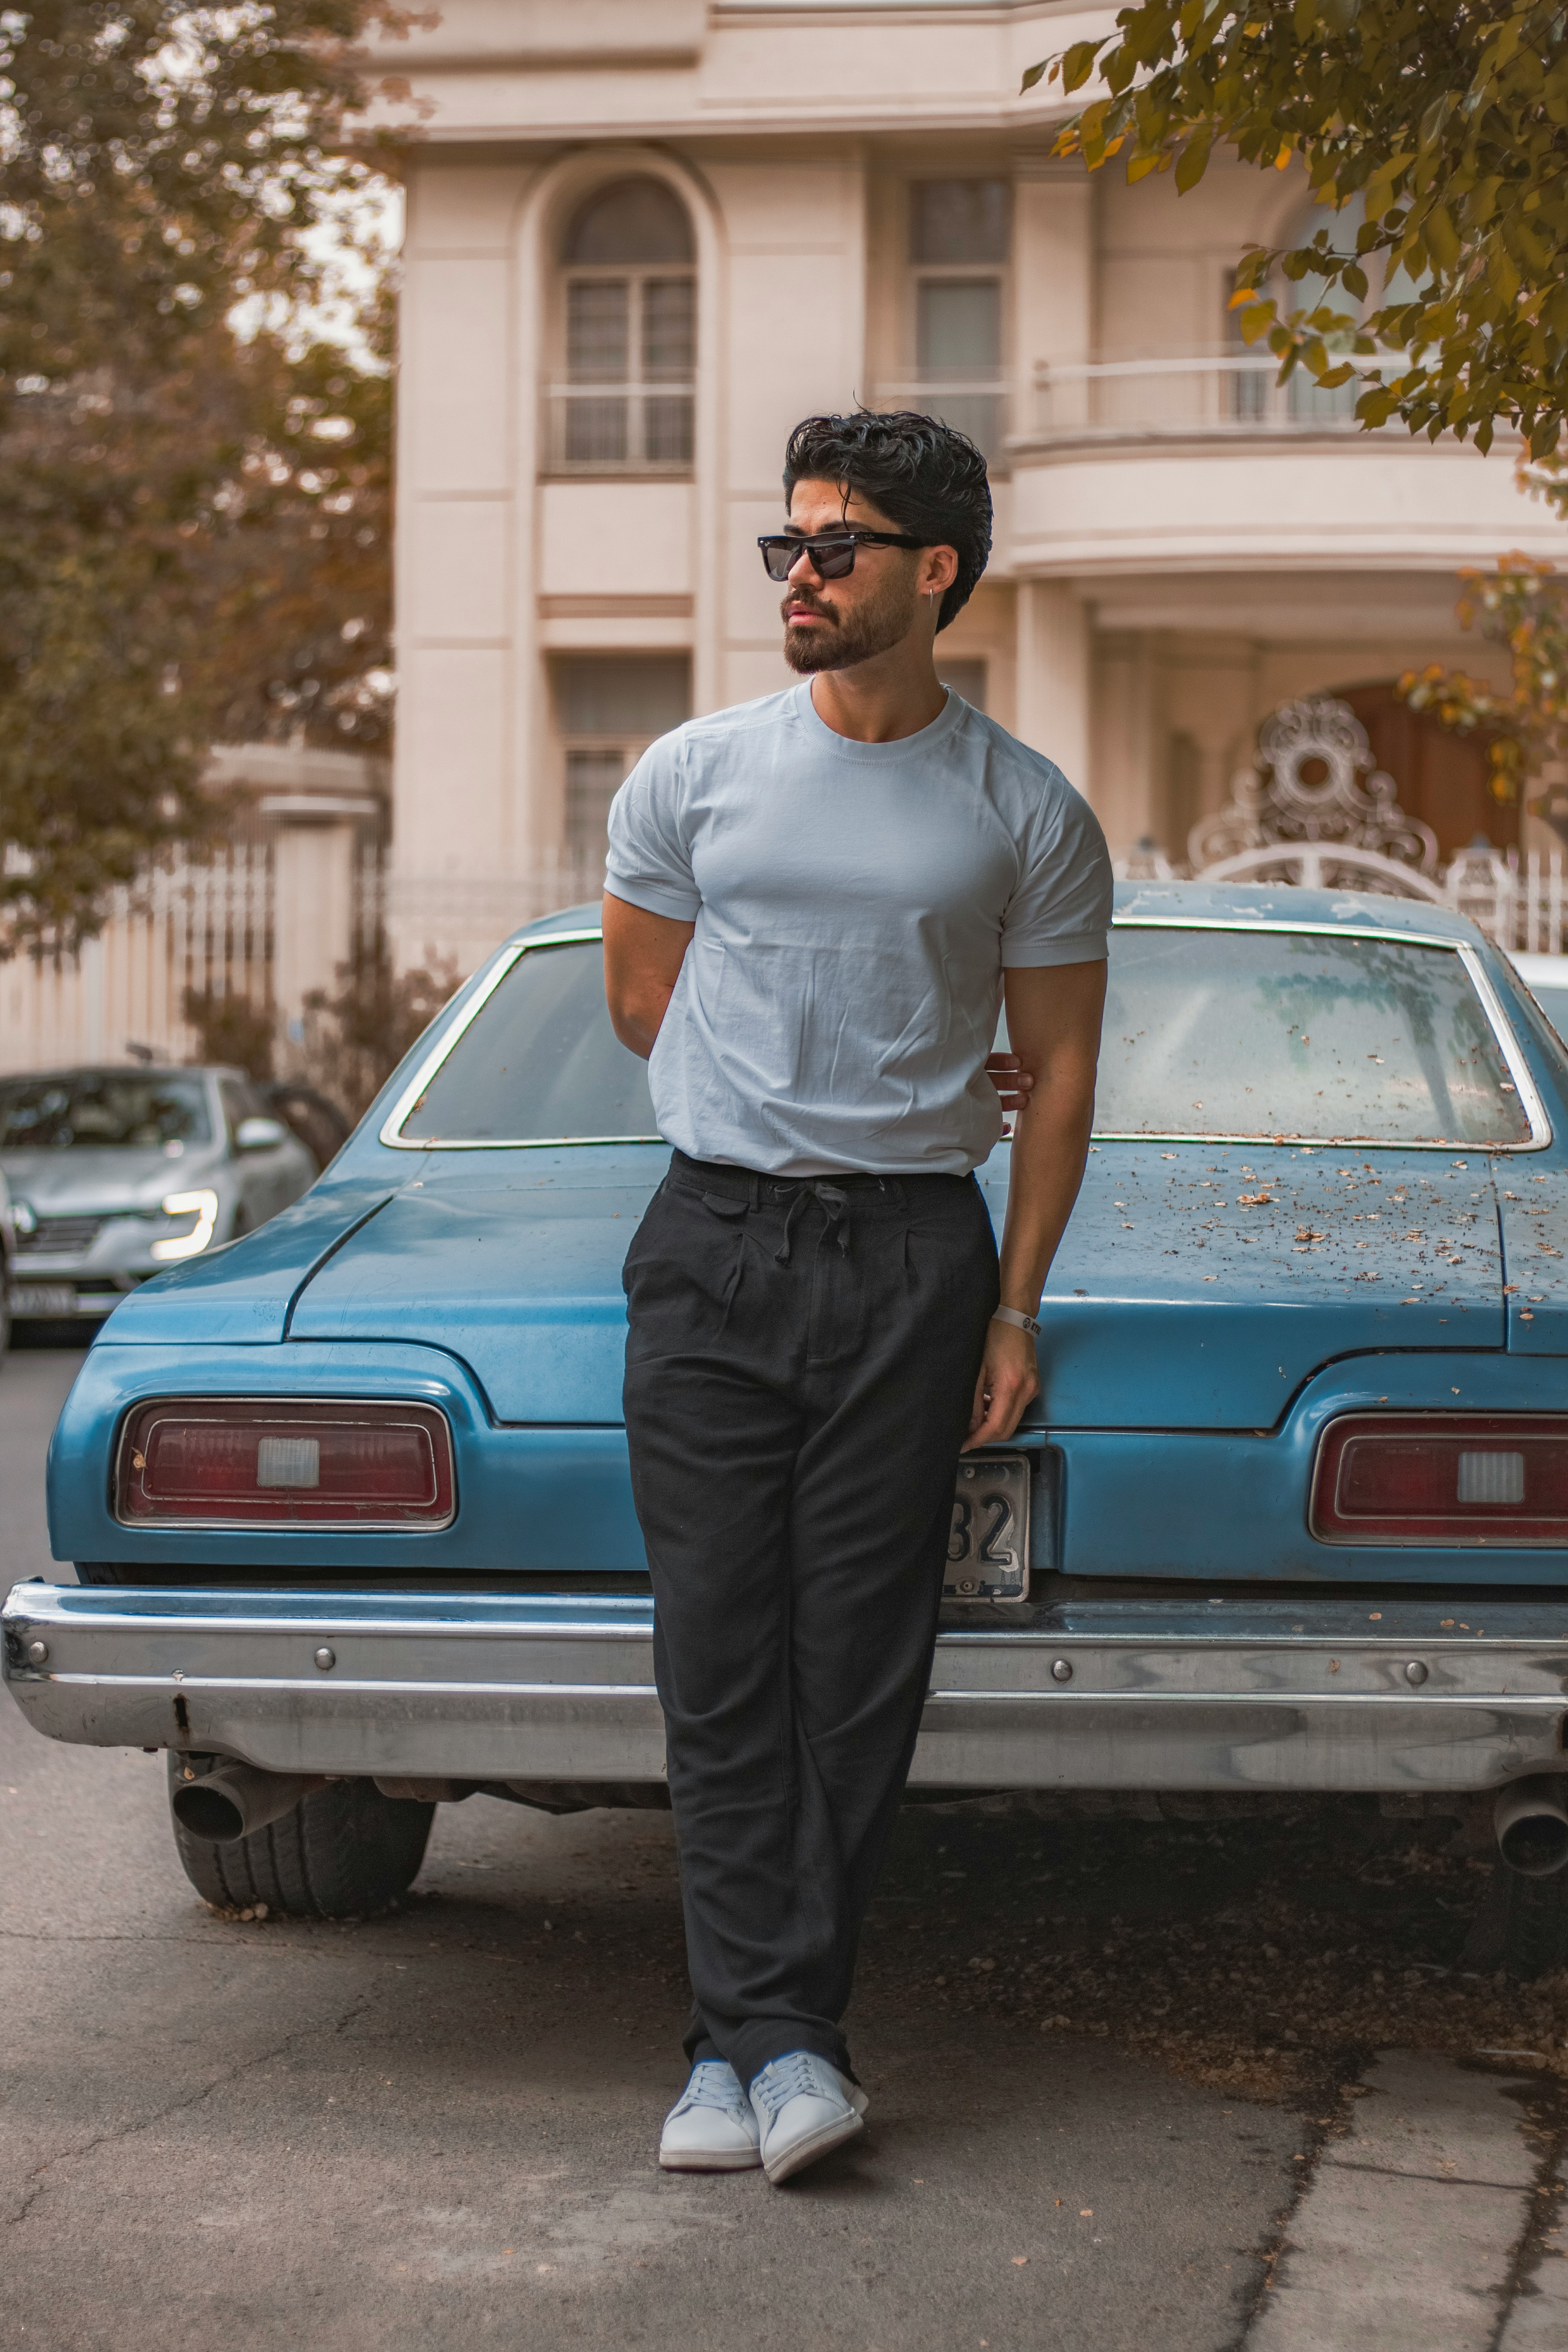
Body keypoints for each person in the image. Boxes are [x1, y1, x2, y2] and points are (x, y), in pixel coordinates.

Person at [603, 409, 1111, 2185]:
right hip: (711, 1250)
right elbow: (647, 1006)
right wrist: (820, 1077)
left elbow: (1054, 1078)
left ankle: (767, 2044)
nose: (800, 576)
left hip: (913, 1263)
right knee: (720, 1657)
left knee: (859, 1669)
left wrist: (1015, 1307)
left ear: (936, 573)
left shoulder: (1025, 810)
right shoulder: (688, 773)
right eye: (789, 545)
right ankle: (762, 2046)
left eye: (837, 547)